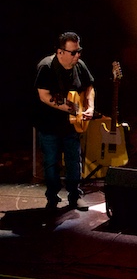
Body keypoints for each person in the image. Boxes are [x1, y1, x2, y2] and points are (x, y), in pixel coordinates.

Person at [34, 32, 96, 211]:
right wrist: (70, 109)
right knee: (51, 162)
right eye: (73, 52)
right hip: (49, 124)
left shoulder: (80, 65)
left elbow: (89, 87)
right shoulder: (46, 67)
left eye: (79, 51)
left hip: (72, 125)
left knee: (73, 161)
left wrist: (89, 107)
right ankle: (52, 197)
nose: (78, 56)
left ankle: (75, 196)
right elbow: (44, 96)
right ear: (60, 52)